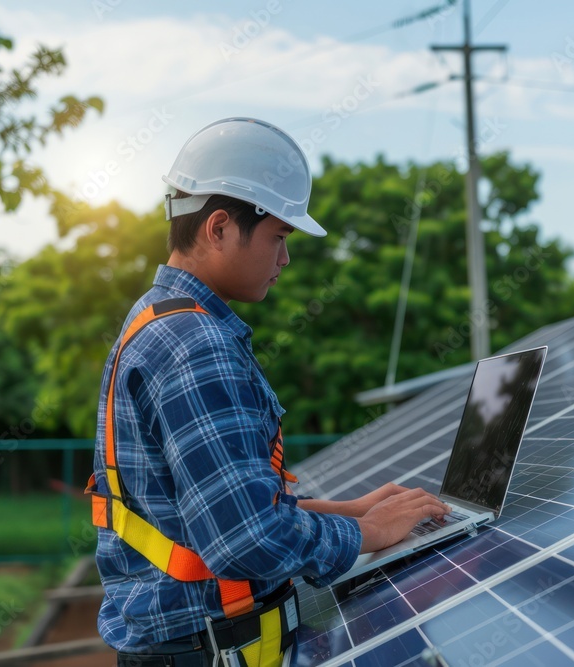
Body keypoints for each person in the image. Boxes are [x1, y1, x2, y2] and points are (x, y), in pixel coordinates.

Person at [86, 117, 450, 667]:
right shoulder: (195, 343)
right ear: (218, 228)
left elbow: (214, 507)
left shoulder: (155, 319)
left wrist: (351, 510)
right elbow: (242, 538)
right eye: (279, 238)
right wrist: (366, 533)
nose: (285, 260)